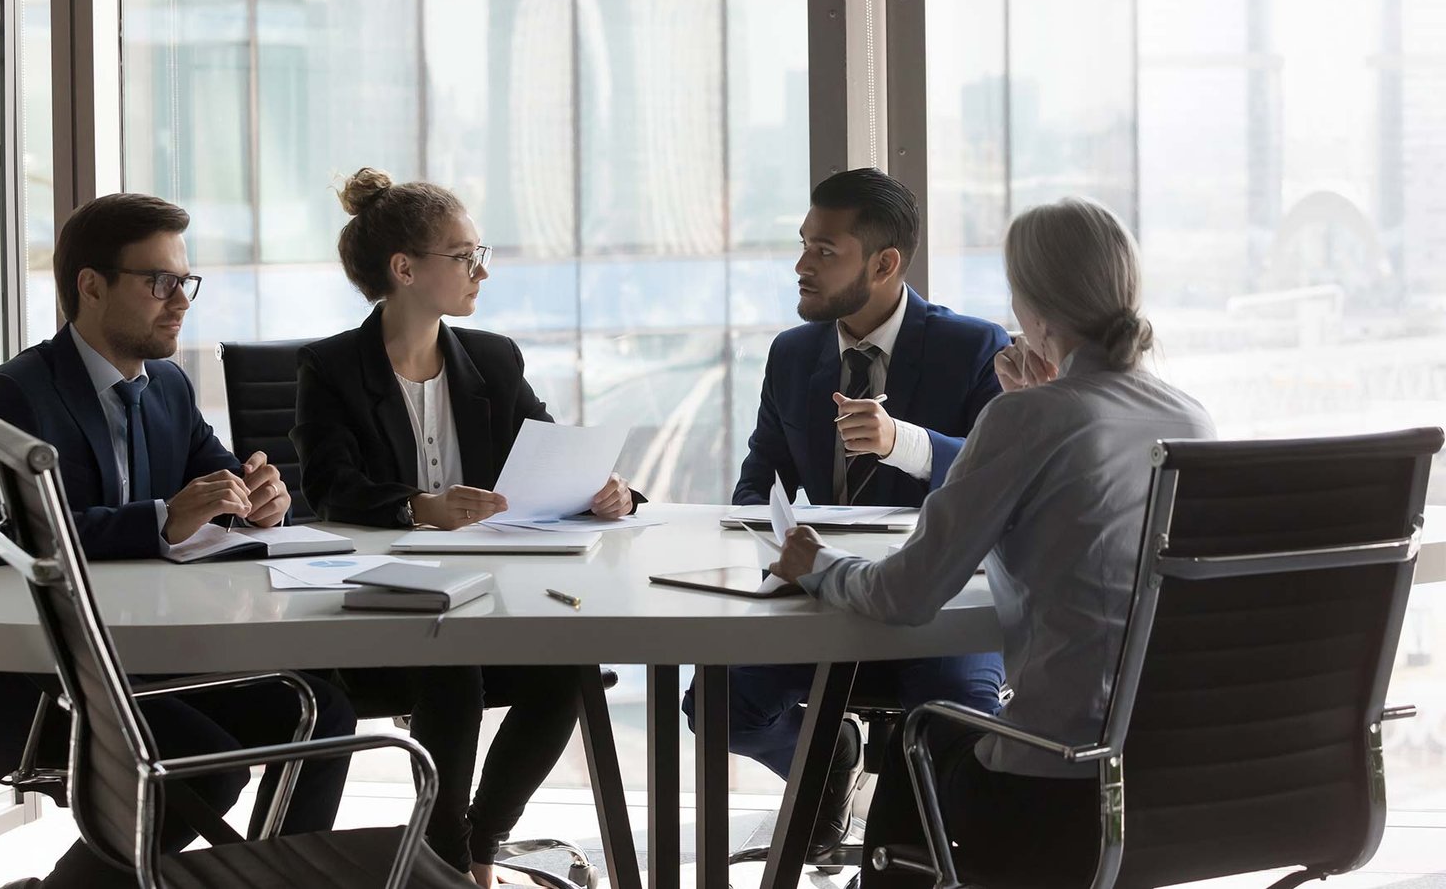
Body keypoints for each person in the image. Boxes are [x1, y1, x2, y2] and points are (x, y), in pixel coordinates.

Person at [768, 196, 1215, 885]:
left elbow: (905, 595)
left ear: (1033, 308)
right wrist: (1040, 395)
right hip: (1167, 784)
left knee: (925, 744)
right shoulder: (1190, 417)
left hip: (1051, 788)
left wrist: (819, 564)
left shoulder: (1030, 418)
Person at [0, 193, 357, 889]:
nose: (181, 301)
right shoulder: (16, 394)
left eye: (185, 282)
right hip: (42, 673)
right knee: (202, 761)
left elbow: (221, 478)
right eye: (160, 282)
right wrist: (161, 519)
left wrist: (262, 498)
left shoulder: (166, 385)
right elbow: (12, 540)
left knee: (322, 714)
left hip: (153, 654)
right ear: (91, 286)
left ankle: (275, 880)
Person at [291, 168, 642, 887]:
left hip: (491, 591)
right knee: (453, 671)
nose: (481, 269)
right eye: (464, 254)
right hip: (378, 607)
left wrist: (610, 493)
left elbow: (547, 455)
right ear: (405, 269)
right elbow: (329, 488)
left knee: (570, 671)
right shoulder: (330, 368)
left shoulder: (491, 358)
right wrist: (420, 506)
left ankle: (478, 848)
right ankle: (445, 865)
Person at [681, 167, 1009, 854]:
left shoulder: (975, 348)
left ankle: (920, 860)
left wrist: (904, 443)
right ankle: (822, 757)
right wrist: (768, 545)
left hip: (934, 602)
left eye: (824, 251)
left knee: (960, 723)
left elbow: (1001, 479)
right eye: (803, 245)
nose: (801, 265)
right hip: (821, 595)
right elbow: (756, 482)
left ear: (885, 263)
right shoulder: (793, 353)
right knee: (714, 710)